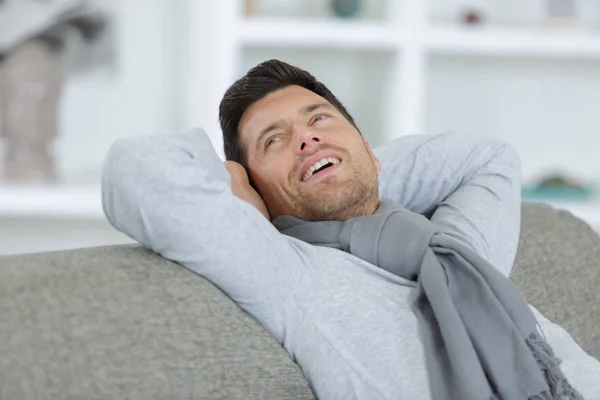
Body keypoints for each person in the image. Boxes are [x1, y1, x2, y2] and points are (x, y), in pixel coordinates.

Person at [102, 59, 600, 399]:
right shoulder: (287, 273)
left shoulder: (457, 251)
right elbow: (137, 170)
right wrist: (241, 187)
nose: (306, 137)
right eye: (274, 141)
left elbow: (488, 157)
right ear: (256, 192)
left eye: (318, 118)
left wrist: (357, 166)